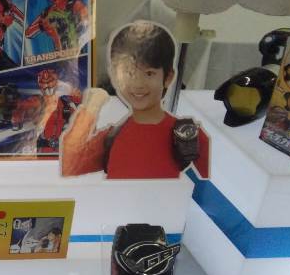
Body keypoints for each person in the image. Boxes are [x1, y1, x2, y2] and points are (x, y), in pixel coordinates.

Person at [60, 21, 209, 179]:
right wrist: (91, 110)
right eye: (129, 73)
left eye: (149, 73)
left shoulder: (188, 137)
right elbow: (69, 165)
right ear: (115, 76)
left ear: (168, 77)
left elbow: (215, 186)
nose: (138, 84)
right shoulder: (111, 137)